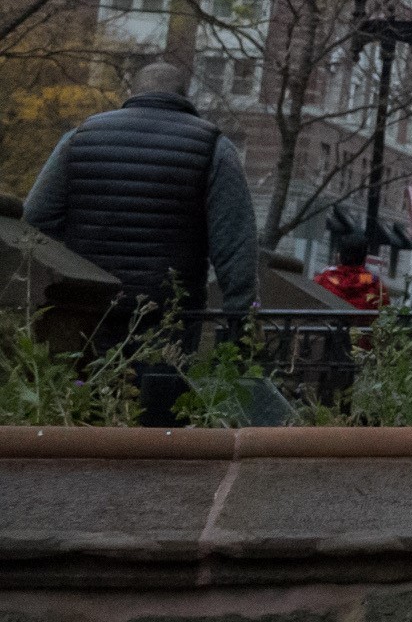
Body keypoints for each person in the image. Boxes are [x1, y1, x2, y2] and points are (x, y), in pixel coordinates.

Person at [23, 60, 259, 425]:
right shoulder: (212, 147)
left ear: (131, 94)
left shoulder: (80, 137)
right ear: (186, 97)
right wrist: (239, 321)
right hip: (168, 314)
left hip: (86, 307)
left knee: (81, 411)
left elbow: (36, 221)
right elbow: (235, 244)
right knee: (155, 419)